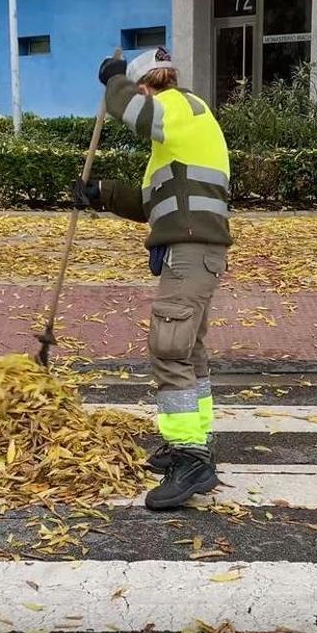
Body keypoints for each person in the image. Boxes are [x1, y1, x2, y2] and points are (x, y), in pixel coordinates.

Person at [73, 47, 232, 511]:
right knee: (189, 349)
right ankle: (195, 441)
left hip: (191, 251)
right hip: (195, 249)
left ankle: (191, 458)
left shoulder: (178, 106)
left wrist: (112, 80)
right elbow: (151, 204)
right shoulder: (179, 137)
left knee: (169, 347)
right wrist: (101, 194)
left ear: (148, 86)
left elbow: (135, 112)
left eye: (136, 89)